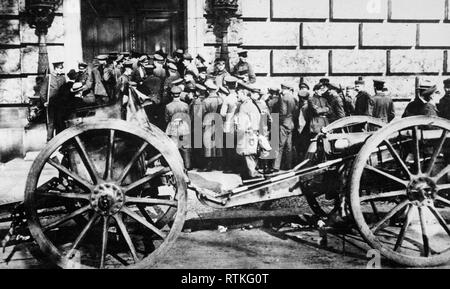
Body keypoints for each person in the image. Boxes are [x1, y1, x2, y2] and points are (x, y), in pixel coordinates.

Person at [235, 82, 262, 178]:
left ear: (244, 93)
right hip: (249, 134)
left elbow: (244, 123)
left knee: (248, 155)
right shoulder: (249, 104)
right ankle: (250, 174)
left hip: (247, 134)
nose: (237, 95)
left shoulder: (246, 106)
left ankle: (253, 176)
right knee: (248, 155)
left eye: (238, 93)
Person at [165, 86, 192, 170]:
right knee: (185, 147)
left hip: (173, 127)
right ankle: (187, 165)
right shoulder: (185, 105)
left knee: (173, 147)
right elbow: (188, 117)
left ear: (172, 95)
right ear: (179, 95)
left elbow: (166, 119)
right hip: (183, 127)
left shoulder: (168, 106)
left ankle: (176, 166)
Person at [274, 83, 298, 171]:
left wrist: (279, 122)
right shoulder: (293, 98)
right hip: (291, 123)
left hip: (284, 124)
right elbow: (295, 112)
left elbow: (283, 112)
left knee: (280, 145)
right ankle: (289, 165)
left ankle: (276, 166)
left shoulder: (283, 98)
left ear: (284, 89)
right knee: (289, 146)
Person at [40, 60, 66, 141]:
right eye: (60, 69)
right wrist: (44, 102)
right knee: (51, 123)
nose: (61, 70)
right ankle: (49, 141)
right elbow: (42, 92)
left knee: (60, 122)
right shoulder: (49, 77)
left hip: (60, 104)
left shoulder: (63, 78)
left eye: (62, 69)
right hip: (51, 104)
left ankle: (59, 142)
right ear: (55, 69)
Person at [202, 80, 224, 171]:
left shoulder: (205, 101)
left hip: (207, 121)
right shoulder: (220, 100)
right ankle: (219, 165)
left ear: (208, 90)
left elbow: (202, 112)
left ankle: (209, 165)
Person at [220, 76, 239, 172]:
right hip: (239, 124)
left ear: (227, 86)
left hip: (228, 124)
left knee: (229, 147)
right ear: (236, 85)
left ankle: (229, 167)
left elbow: (222, 113)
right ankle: (238, 166)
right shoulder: (239, 97)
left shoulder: (227, 99)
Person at [53, 69, 78, 134]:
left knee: (60, 127)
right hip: (68, 109)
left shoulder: (63, 86)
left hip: (59, 109)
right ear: (75, 77)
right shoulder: (75, 86)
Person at [190, 83, 207, 169]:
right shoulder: (204, 101)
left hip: (196, 126)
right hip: (202, 126)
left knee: (197, 147)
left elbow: (195, 116)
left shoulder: (196, 102)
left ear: (197, 92)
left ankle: (200, 164)